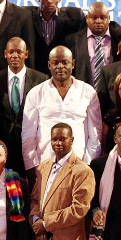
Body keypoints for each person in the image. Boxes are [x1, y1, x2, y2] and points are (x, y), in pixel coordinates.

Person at [22, 46, 102, 184]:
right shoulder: (36, 93)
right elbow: (28, 136)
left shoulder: (88, 92)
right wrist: (31, 169)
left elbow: (95, 134)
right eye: (55, 62)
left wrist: (87, 165)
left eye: (65, 62)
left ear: (73, 64)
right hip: (44, 166)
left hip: (79, 165)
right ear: (49, 65)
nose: (60, 66)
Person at [29, 123, 96, 240]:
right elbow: (35, 199)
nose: (58, 143)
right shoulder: (44, 166)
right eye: (54, 139)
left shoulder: (83, 171)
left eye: (62, 139)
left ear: (71, 140)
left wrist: (46, 223)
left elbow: (79, 209)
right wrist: (35, 220)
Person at [0, 37, 48, 175]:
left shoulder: (40, 79)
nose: (15, 55)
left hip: (31, 143)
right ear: (5, 54)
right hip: (3, 144)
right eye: (11, 52)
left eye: (19, 52)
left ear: (26, 54)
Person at [26, 0, 87, 73]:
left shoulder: (75, 16)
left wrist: (117, 35)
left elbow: (95, 24)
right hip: (34, 72)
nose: (49, 1)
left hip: (63, 72)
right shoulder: (26, 15)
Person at [65, 1, 121, 90]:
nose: (98, 21)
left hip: (112, 96)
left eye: (102, 18)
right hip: (81, 95)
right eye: (94, 18)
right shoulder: (72, 40)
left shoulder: (119, 40)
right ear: (87, 18)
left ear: (109, 18)